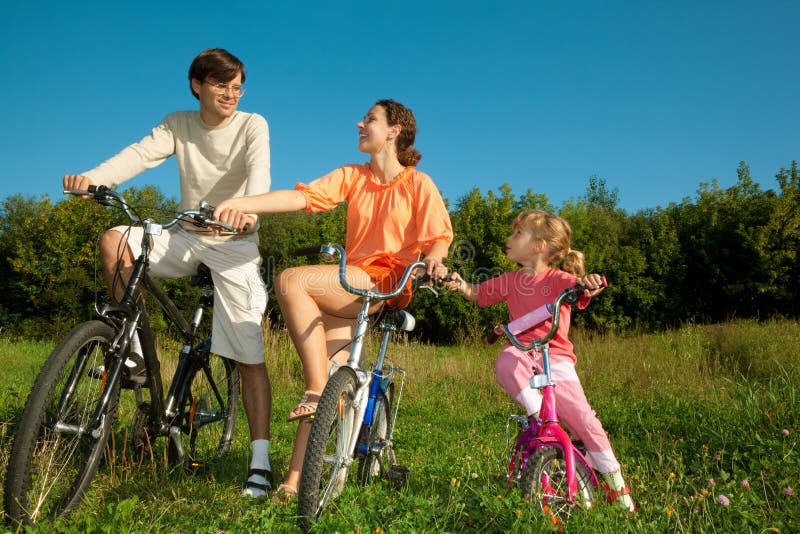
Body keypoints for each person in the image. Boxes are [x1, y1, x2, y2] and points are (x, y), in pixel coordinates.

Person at [214, 99, 453, 502]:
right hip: (350, 284)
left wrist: (434, 260)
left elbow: (438, 237)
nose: (360, 123)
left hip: (382, 279)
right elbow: (300, 198)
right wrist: (243, 203)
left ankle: (314, 387)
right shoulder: (353, 176)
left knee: (291, 281)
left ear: (395, 131)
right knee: (327, 386)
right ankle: (293, 483)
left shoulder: (418, 183)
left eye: (371, 119)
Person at [63, 48, 274, 499]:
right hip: (187, 234)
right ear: (198, 85)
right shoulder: (178, 123)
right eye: (221, 85)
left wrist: (248, 211)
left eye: (237, 86)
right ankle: (136, 354)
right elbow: (139, 154)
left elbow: (260, 175)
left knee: (247, 353)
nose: (231, 94)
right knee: (115, 240)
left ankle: (260, 460)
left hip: (234, 242)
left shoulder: (253, 124)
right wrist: (93, 179)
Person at [443, 209, 635, 512]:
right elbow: (478, 293)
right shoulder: (510, 280)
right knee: (506, 359)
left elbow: (584, 288)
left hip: (556, 359)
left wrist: (589, 283)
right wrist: (460, 284)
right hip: (524, 353)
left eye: (517, 233)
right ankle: (541, 418)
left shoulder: (560, 279)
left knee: (586, 421)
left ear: (539, 245)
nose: (509, 238)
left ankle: (614, 482)